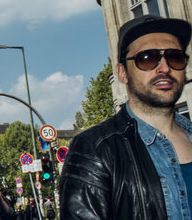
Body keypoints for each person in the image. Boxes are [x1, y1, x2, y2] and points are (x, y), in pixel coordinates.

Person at [59, 15, 192, 220]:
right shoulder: (93, 150)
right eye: (147, 58)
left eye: (175, 57)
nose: (165, 68)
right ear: (122, 73)